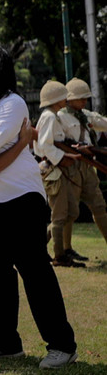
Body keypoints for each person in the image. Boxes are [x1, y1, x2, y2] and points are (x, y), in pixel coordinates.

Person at [0, 43, 77, 369]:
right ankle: (6, 342)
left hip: (22, 200)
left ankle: (62, 345)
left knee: (35, 271)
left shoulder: (11, 103)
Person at [33, 81, 84, 267]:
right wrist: (63, 157)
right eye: (64, 96)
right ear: (56, 99)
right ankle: (59, 256)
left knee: (71, 212)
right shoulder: (50, 117)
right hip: (53, 169)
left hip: (57, 168)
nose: (67, 99)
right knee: (60, 215)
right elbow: (45, 145)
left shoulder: (53, 116)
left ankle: (37, 247)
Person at [58, 77, 107, 258]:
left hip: (88, 166)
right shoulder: (59, 116)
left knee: (99, 206)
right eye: (81, 98)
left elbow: (103, 122)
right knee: (69, 211)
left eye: (86, 98)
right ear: (69, 99)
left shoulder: (86, 115)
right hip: (70, 167)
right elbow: (55, 142)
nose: (84, 101)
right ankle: (63, 249)